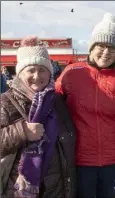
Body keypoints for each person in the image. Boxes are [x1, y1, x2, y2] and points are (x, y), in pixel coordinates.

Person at [55, 13, 115, 198]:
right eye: (101, 45)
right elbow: (51, 105)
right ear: (91, 47)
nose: (106, 52)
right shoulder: (72, 73)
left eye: (112, 48)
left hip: (112, 163)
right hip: (79, 161)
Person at [0, 36, 76, 197]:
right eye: (30, 70)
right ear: (20, 73)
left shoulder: (57, 101)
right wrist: (22, 131)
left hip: (56, 188)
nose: (37, 76)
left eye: (42, 70)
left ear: (49, 72)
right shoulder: (6, 102)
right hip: (19, 189)